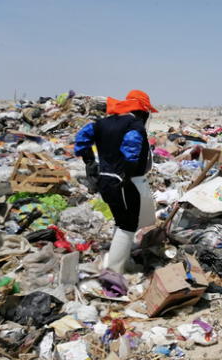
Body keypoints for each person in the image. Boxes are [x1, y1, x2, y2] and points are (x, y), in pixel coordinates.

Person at [74, 90, 158, 273]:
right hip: (124, 182)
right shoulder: (134, 125)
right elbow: (131, 147)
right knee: (128, 224)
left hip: (105, 181)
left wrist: (90, 163)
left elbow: (81, 138)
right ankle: (114, 271)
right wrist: (126, 175)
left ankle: (120, 260)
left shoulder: (101, 123)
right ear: (142, 110)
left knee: (121, 221)